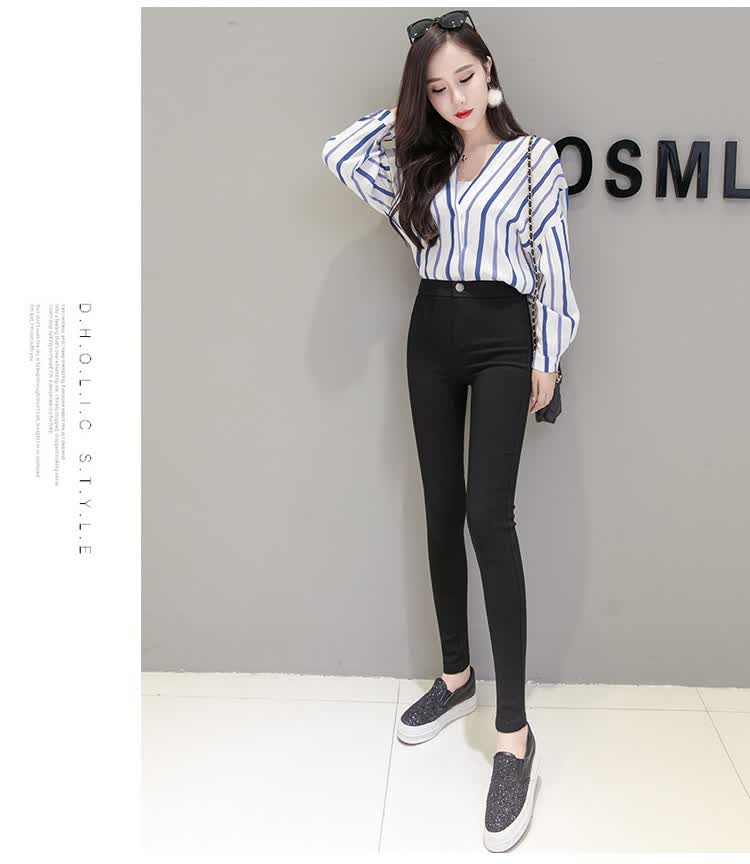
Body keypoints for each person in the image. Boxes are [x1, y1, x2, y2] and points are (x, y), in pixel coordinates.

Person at [321, 10, 580, 852]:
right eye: (437, 89)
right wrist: (409, 108)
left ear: (490, 69)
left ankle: (514, 737)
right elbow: (339, 154)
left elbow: (553, 264)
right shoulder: (420, 165)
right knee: (440, 508)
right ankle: (456, 676)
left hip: (504, 336)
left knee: (487, 519)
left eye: (465, 78)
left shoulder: (533, 159)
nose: (457, 98)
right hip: (430, 330)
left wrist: (547, 356)